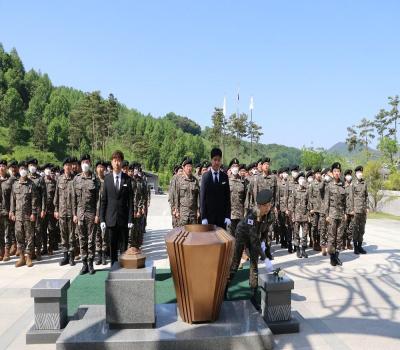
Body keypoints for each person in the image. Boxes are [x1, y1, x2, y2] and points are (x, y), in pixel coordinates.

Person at [228, 189, 274, 310]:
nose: (268, 208)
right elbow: (254, 240)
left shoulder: (270, 214)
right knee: (235, 263)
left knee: (254, 264)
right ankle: (224, 289)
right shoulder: (252, 215)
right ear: (259, 206)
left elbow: (265, 233)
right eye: (265, 206)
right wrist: (264, 257)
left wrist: (267, 249)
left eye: (269, 205)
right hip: (242, 235)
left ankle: (253, 293)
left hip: (255, 237)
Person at [100, 150, 133, 266]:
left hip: (123, 219)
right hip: (111, 219)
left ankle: (123, 266)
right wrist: (102, 219)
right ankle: (113, 266)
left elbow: (130, 202)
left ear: (122, 162)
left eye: (119, 160)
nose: (117, 163)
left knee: (123, 246)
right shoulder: (107, 179)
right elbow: (103, 201)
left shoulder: (127, 179)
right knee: (112, 245)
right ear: (111, 162)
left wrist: (130, 219)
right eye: (115, 161)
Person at [73, 154, 100, 275]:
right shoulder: (76, 179)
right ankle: (84, 263)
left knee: (91, 239)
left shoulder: (95, 179)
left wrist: (97, 215)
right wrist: (74, 214)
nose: (85, 164)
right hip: (79, 213)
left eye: (87, 162)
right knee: (81, 239)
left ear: (90, 164)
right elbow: (73, 198)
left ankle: (90, 263)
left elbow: (99, 199)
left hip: (91, 213)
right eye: (83, 162)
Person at [10, 162, 39, 267]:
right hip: (18, 215)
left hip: (28, 215)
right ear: (19, 170)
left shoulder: (31, 184)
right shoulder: (15, 184)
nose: (23, 170)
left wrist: (34, 213)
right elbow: (12, 200)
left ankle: (29, 257)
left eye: (24, 169)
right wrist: (11, 212)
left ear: (27, 171)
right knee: (19, 236)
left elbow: (34, 200)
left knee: (29, 236)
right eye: (21, 168)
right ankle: (21, 257)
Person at [200, 148, 231, 229]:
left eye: (219, 160)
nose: (217, 162)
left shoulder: (225, 176)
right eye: (215, 160)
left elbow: (227, 198)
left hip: (222, 218)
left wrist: (228, 216)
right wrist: (203, 217)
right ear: (211, 160)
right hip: (209, 218)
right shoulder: (205, 177)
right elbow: (202, 198)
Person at [54, 157, 76, 266]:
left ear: (72, 167)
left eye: (69, 165)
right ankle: (65, 256)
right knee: (63, 235)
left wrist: (75, 213)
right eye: (66, 165)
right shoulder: (59, 179)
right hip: (62, 212)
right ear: (64, 167)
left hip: (72, 212)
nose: (68, 167)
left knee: (72, 235)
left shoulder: (75, 179)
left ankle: (72, 257)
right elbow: (56, 196)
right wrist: (55, 210)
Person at [324, 162, 346, 266]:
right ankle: (332, 257)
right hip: (332, 215)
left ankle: (337, 255)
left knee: (339, 237)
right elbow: (326, 202)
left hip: (341, 215)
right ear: (332, 173)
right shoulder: (329, 186)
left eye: (338, 171)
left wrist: (345, 213)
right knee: (332, 237)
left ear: (340, 173)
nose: (337, 173)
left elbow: (346, 201)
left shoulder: (343, 185)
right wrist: (327, 215)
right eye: (335, 171)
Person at [174, 157, 200, 226]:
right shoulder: (179, 180)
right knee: (183, 233)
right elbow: (177, 196)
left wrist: (198, 210)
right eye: (187, 166)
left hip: (193, 213)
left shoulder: (195, 180)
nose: (189, 168)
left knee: (193, 234)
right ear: (183, 168)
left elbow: (198, 197)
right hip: (183, 212)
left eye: (190, 166)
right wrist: (176, 210)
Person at [349, 165, 368, 255]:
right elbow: (351, 197)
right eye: (358, 172)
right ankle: (355, 247)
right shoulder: (353, 184)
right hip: (355, 210)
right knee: (355, 229)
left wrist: (367, 207)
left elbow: (366, 196)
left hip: (363, 211)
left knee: (362, 229)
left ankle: (360, 246)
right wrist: (352, 209)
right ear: (355, 174)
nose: (360, 174)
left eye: (361, 172)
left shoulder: (365, 183)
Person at [290, 172, 310, 258]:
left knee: (305, 234)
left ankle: (303, 250)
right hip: (297, 215)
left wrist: (309, 215)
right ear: (298, 181)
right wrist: (292, 216)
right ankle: (297, 249)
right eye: (300, 179)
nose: (302, 180)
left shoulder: (307, 190)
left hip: (305, 215)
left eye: (303, 179)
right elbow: (292, 204)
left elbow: (309, 204)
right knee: (296, 233)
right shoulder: (295, 190)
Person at [41, 163, 58, 255]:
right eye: (46, 169)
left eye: (49, 169)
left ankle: (50, 247)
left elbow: (56, 196)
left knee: (51, 229)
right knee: (43, 229)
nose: (48, 171)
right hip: (43, 210)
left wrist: (56, 209)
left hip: (51, 209)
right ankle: (44, 247)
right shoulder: (41, 181)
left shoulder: (54, 182)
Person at [228, 158, 246, 237]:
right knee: (230, 237)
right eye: (233, 166)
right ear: (230, 168)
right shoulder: (226, 181)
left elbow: (246, 199)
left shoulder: (243, 182)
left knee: (239, 237)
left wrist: (245, 213)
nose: (235, 168)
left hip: (240, 214)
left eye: (236, 166)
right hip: (230, 214)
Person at [95, 161, 108, 265]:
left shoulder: (108, 180)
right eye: (99, 167)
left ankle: (104, 254)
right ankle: (98, 255)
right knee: (97, 234)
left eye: (102, 167)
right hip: (95, 212)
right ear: (96, 169)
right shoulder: (93, 180)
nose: (100, 169)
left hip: (106, 211)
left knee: (105, 234)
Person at [344, 169, 354, 250]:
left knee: (351, 227)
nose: (349, 176)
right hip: (345, 210)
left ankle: (349, 242)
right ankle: (343, 242)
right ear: (345, 176)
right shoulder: (343, 186)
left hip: (353, 210)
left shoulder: (354, 186)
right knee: (344, 227)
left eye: (350, 175)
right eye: (347, 175)